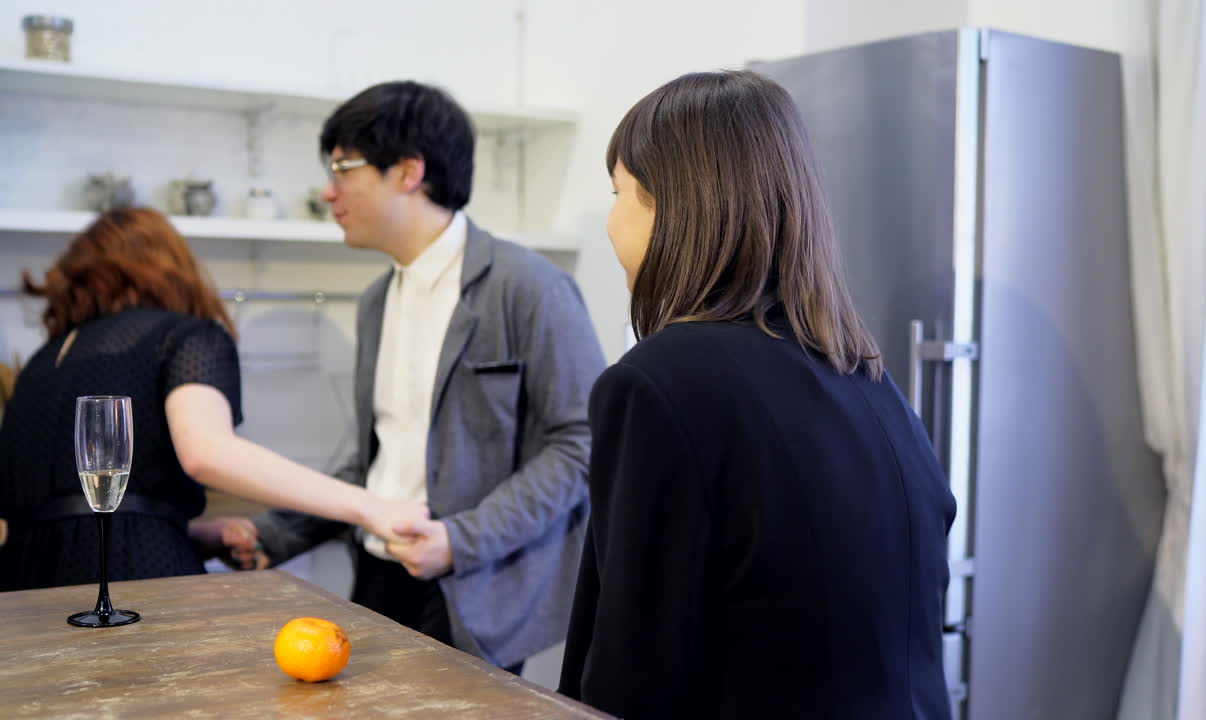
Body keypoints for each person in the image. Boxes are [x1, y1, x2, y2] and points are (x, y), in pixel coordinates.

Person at [557, 70, 958, 718]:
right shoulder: (869, 379)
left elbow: (635, 672)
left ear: (671, 206)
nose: (609, 223)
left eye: (618, 192)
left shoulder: (659, 385)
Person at [221, 81, 605, 674]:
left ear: (408, 172)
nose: (329, 192)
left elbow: (581, 444)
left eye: (343, 169)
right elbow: (375, 463)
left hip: (474, 589)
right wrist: (270, 533)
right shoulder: (378, 299)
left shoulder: (530, 288)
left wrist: (461, 538)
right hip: (376, 575)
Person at [0, 207, 428, 592]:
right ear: (171, 269)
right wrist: (372, 507)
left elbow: (62, 513)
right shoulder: (183, 336)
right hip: (140, 575)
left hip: (22, 581)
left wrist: (188, 531)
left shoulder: (42, 363)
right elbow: (207, 454)